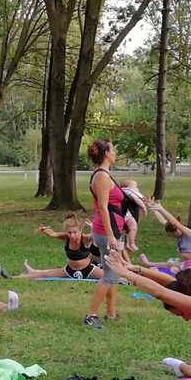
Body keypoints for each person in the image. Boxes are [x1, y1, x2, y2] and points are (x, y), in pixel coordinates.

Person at [83, 139, 125, 328]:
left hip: (113, 230)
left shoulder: (105, 175)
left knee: (113, 273)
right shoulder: (101, 177)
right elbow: (102, 207)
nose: (115, 153)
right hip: (106, 232)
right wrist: (110, 236)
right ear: (106, 153)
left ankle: (111, 312)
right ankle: (91, 315)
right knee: (109, 274)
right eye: (113, 150)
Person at [18, 213, 103, 280]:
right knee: (45, 274)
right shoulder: (65, 237)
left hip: (88, 269)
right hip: (69, 270)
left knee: (110, 277)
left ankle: (32, 272)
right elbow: (53, 234)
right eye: (69, 232)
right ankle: (15, 277)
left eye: (75, 232)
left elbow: (97, 236)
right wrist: (44, 229)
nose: (72, 235)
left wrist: (94, 228)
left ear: (80, 231)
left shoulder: (85, 239)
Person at [138, 203, 191, 274]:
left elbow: (175, 222)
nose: (173, 236)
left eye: (173, 234)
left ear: (177, 229)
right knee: (169, 265)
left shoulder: (189, 234)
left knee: (181, 271)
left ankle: (163, 272)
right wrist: (154, 209)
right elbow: (162, 221)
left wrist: (161, 209)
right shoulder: (176, 232)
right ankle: (148, 264)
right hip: (186, 263)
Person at [119, 179, 148, 251]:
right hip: (127, 214)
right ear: (128, 187)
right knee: (133, 227)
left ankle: (127, 244)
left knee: (125, 231)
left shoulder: (123, 191)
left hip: (121, 214)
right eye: (135, 187)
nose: (137, 188)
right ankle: (132, 243)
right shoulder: (128, 191)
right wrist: (143, 207)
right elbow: (136, 200)